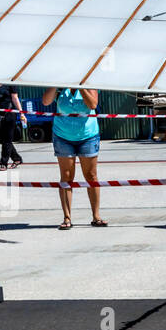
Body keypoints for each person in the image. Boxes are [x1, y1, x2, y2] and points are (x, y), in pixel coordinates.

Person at [42, 87, 105, 229]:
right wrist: (55, 85)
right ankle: (67, 217)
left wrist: (81, 87)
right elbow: (46, 102)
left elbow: (92, 105)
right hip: (62, 135)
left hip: (88, 135)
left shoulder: (89, 84)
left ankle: (96, 216)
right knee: (66, 176)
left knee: (91, 176)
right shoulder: (60, 87)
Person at [0, 83, 25, 169]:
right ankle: (17, 158)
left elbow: (15, 98)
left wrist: (21, 113)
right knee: (0, 139)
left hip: (9, 114)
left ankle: (3, 163)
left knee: (7, 140)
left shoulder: (10, 85)